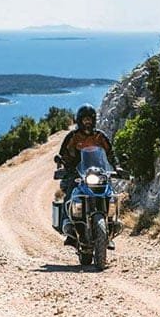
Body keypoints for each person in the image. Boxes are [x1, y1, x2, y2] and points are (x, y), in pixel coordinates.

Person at [58, 104, 115, 246]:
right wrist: (63, 163)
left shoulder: (100, 136)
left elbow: (110, 153)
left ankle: (111, 226)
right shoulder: (73, 137)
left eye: (90, 119)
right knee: (71, 194)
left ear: (94, 120)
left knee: (110, 193)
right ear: (79, 121)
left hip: (98, 172)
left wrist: (117, 166)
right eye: (85, 120)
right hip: (77, 172)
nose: (87, 122)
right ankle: (69, 228)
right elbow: (64, 153)